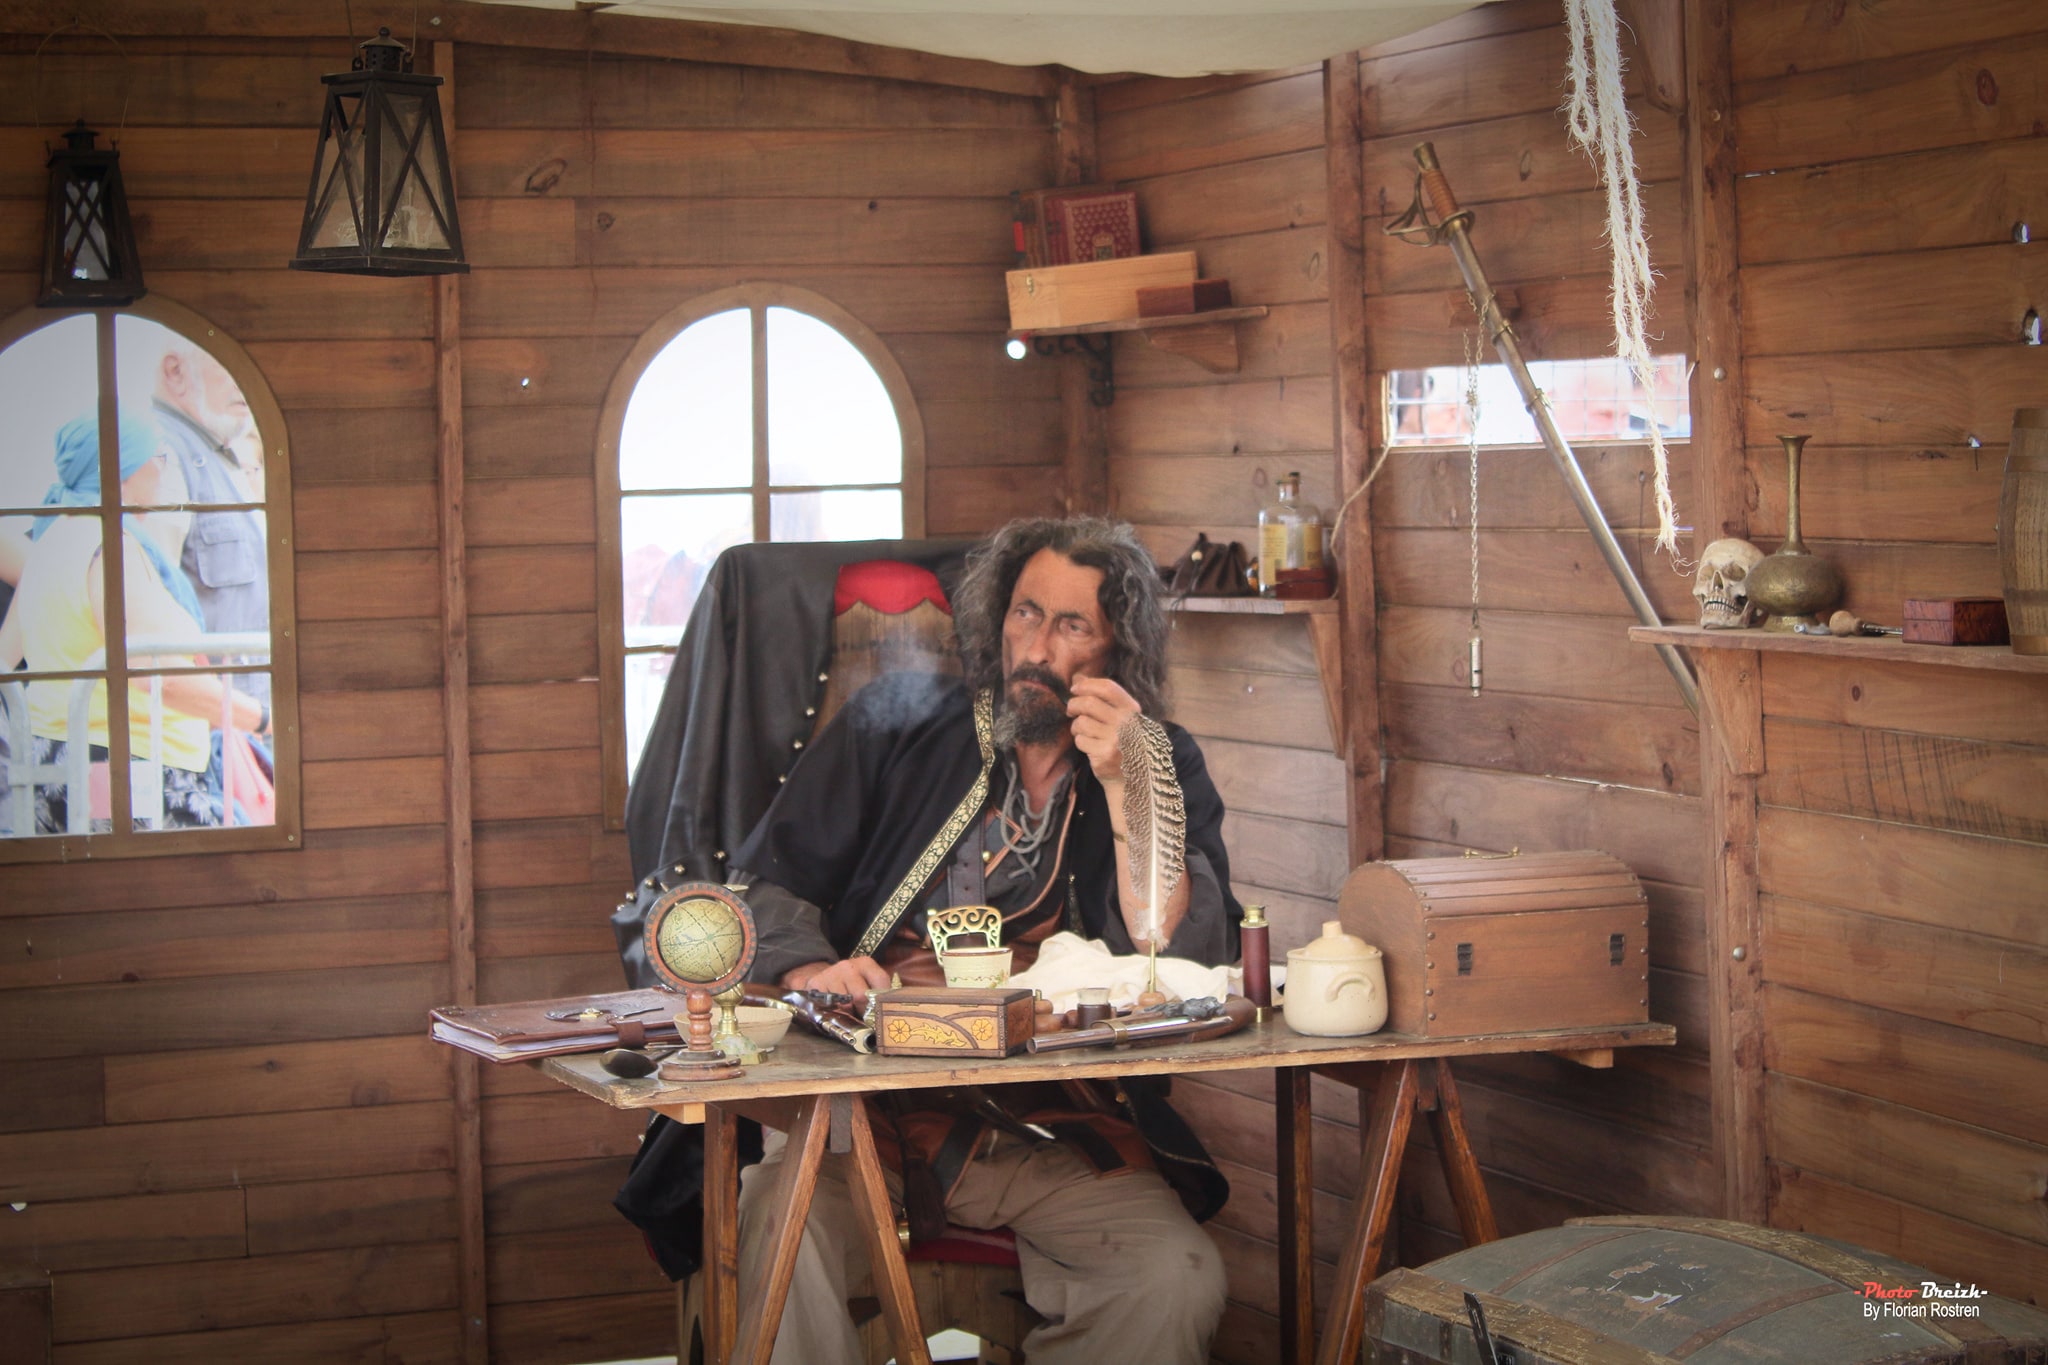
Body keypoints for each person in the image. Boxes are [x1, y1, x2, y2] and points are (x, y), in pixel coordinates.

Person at [720, 516, 1239, 1365]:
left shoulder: (1156, 758)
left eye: (1071, 625)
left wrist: (1127, 782)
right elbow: (766, 887)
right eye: (1025, 613)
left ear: (1118, 647)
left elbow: (1181, 954)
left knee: (1173, 1277)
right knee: (781, 1226)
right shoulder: (901, 724)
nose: (1035, 647)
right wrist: (815, 967)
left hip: (1054, 1123)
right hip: (869, 1113)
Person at [16, 408, 266, 832]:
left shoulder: (55, 538)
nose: (164, 468)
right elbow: (157, 675)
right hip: (132, 775)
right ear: (124, 472)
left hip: (75, 765)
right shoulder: (109, 550)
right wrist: (259, 717)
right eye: (158, 457)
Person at [147, 337, 270, 700]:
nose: (245, 379)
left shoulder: (215, 454)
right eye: (229, 365)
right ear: (175, 372)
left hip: (241, 710)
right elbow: (152, 608)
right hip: (210, 715)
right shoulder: (163, 457)